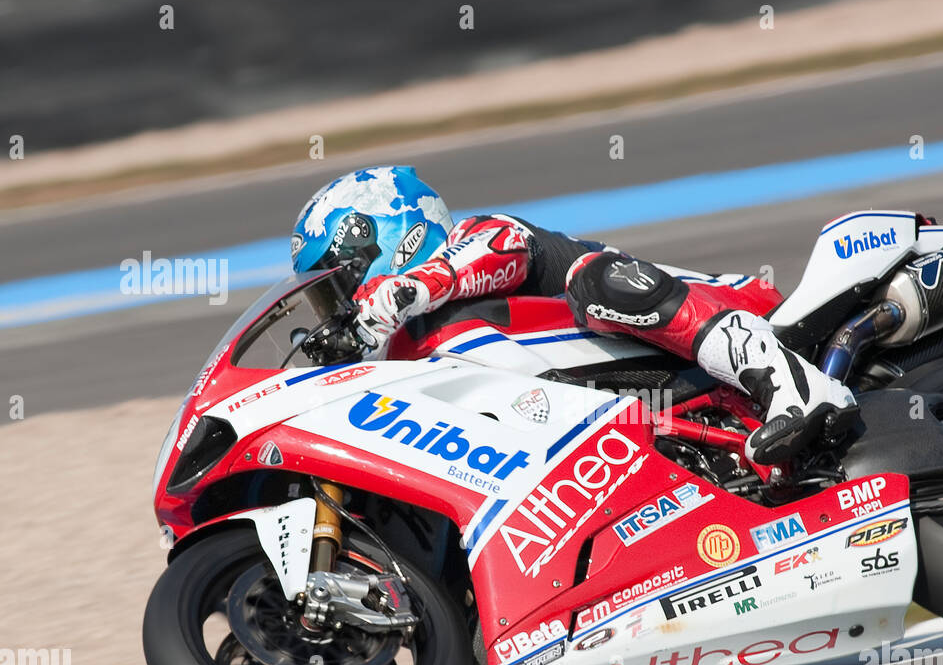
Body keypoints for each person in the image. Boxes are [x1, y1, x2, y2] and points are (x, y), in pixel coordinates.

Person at [291, 166, 856, 464]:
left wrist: (408, 290)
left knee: (595, 280)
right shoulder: (414, 353)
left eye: (339, 284)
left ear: (393, 240)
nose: (340, 307)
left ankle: (792, 384)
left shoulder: (471, 245)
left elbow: (504, 243)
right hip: (641, 421)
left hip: (751, 314)